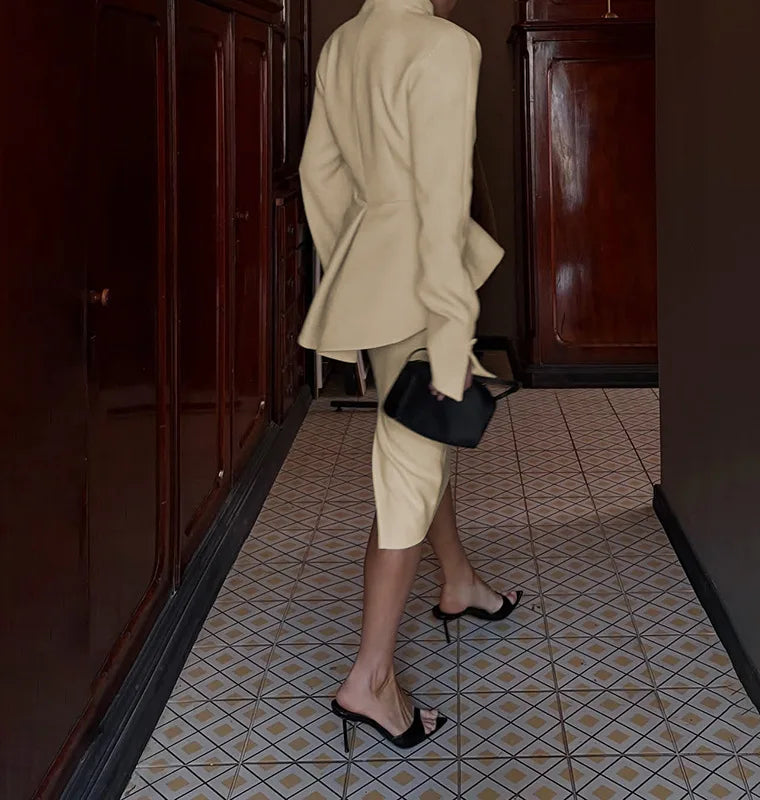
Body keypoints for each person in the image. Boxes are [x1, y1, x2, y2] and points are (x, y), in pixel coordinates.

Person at [297, 0, 521, 750]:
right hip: (426, 290)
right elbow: (441, 203)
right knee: (406, 476)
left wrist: (358, 275)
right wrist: (454, 333)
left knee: (420, 453)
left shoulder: (342, 43)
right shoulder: (443, 43)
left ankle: (459, 582)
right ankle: (371, 680)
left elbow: (317, 175)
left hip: (376, 278)